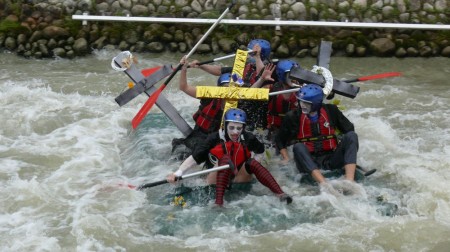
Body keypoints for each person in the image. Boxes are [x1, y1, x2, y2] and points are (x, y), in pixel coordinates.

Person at [167, 108, 293, 206]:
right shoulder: (213, 138)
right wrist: (178, 173)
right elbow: (194, 158)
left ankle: (280, 193)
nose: (235, 132)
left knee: (251, 162)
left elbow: (261, 151)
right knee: (226, 159)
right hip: (214, 179)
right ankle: (218, 204)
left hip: (238, 177)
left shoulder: (249, 138)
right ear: (225, 125)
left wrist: (257, 163)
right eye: (231, 128)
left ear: (243, 128)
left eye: (239, 128)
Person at [275, 83, 359, 194]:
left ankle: (349, 181)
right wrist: (286, 157)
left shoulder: (331, 110)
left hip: (331, 158)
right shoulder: (293, 116)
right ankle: (324, 184)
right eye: (300, 101)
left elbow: (349, 130)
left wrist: (345, 151)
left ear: (316, 104)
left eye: (306, 103)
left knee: (352, 136)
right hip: (308, 160)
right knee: (298, 146)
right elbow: (280, 140)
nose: (302, 105)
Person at [171, 56, 230, 160]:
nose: (228, 93)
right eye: (225, 88)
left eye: (231, 89)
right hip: (199, 135)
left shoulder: (239, 103)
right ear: (219, 88)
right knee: (181, 154)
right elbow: (184, 87)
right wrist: (184, 69)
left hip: (217, 140)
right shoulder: (209, 95)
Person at [252, 59, 301, 147]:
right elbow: (249, 94)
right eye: (291, 75)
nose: (295, 78)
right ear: (282, 75)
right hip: (274, 129)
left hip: (294, 129)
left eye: (296, 74)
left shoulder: (302, 90)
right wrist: (262, 79)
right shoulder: (271, 88)